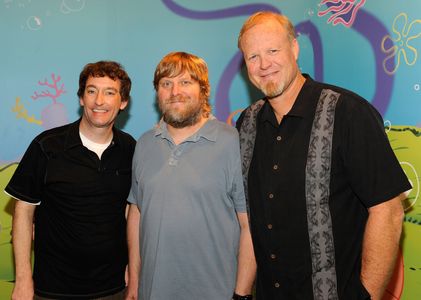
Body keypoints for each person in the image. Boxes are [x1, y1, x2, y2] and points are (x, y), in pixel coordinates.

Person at [236, 11, 411, 300]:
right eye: (253, 56)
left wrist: (367, 295)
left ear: (294, 48)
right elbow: (250, 223)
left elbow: (388, 211)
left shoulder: (349, 113)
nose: (264, 64)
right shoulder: (246, 125)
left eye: (272, 50)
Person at [125, 52, 256, 300]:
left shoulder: (232, 143)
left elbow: (249, 225)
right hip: (152, 292)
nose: (175, 91)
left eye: (185, 82)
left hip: (217, 292)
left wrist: (242, 294)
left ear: (203, 89)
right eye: (166, 84)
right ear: (157, 92)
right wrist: (134, 281)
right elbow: (136, 214)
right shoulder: (144, 144)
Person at [5, 61, 136, 299]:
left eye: (110, 92)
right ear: (81, 98)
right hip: (52, 290)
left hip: (114, 288)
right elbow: (23, 211)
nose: (99, 101)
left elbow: (131, 213)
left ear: (123, 102)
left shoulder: (130, 149)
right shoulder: (46, 145)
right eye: (91, 91)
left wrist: (133, 269)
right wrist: (23, 279)